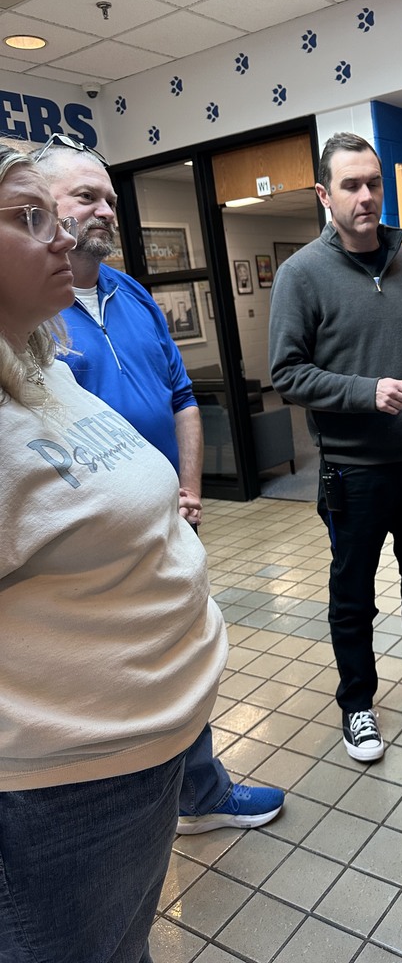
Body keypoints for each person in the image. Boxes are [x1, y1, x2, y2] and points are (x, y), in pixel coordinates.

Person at [0, 142, 229, 960]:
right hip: (64, 787)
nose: (63, 232)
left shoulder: (38, 358)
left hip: (140, 756)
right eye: (30, 217)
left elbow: (172, 399)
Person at [34, 136, 284, 833]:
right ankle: (139, 810)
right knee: (121, 676)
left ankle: (197, 794)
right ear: (35, 207)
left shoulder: (132, 291)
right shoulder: (30, 319)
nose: (107, 211)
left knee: (181, 653)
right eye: (87, 196)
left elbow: (181, 396)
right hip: (92, 547)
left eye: (110, 198)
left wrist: (190, 490)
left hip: (168, 520)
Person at [269, 132, 402, 763]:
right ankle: (358, 704)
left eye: (373, 183)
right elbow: (287, 374)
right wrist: (365, 392)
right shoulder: (301, 275)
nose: (366, 197)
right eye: (351, 186)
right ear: (323, 195)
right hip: (352, 473)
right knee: (353, 593)